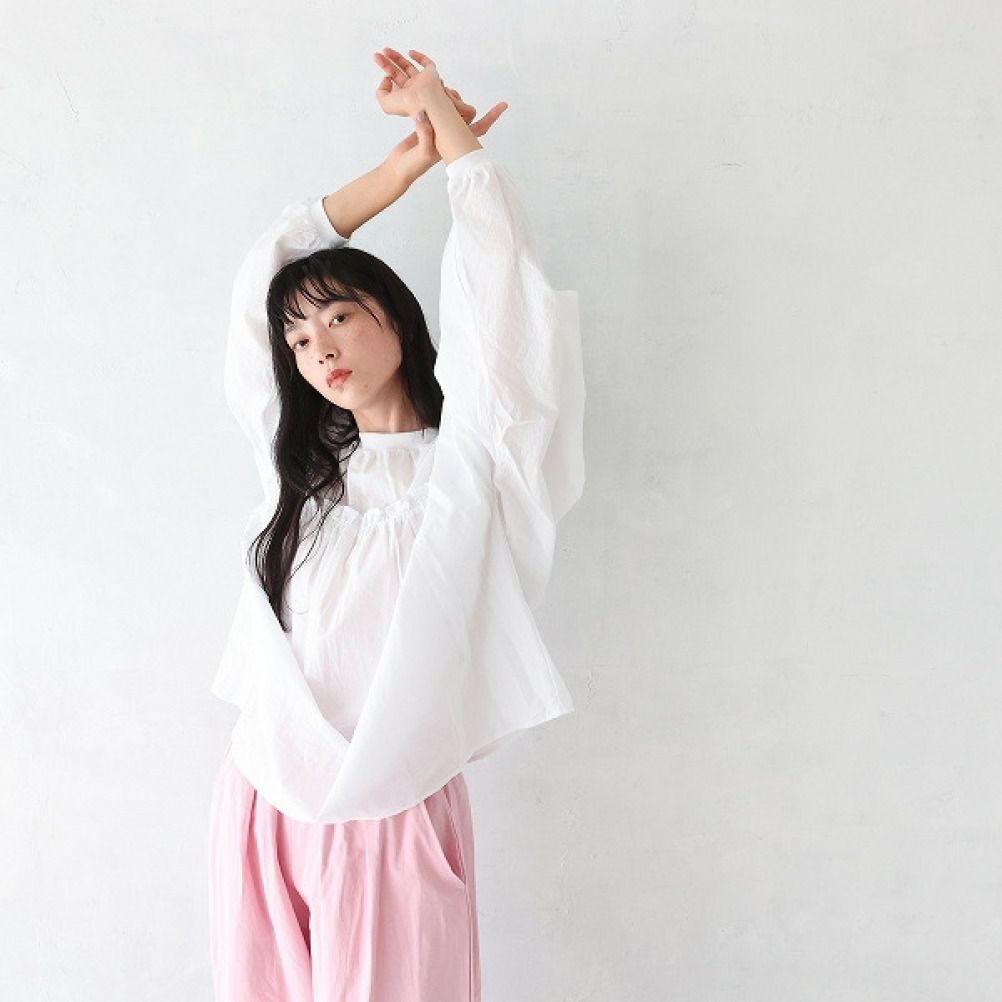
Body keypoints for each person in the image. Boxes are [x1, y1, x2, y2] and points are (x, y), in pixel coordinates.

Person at [208, 46, 586, 1002]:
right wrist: (395, 170)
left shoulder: (475, 464)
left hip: (394, 805)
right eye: (300, 338)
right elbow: (263, 276)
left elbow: (503, 303)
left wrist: (448, 142)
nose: (318, 348)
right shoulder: (302, 469)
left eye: (339, 317)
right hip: (263, 794)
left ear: (399, 319)